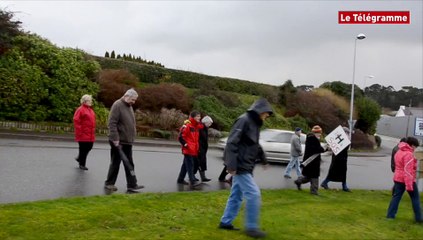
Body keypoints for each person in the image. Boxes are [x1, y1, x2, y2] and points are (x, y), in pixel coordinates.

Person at [218, 98, 273, 239]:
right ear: (259, 110)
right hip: (240, 166)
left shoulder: (254, 124)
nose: (267, 116)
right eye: (266, 114)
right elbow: (231, 143)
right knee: (254, 195)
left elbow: (254, 145)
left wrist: (264, 160)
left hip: (247, 165)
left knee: (236, 195)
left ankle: (225, 222)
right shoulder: (244, 120)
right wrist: (230, 166)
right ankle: (251, 228)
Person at [104, 88, 144, 192]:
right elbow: (111, 123)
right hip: (118, 141)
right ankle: (109, 183)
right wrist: (115, 139)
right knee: (115, 163)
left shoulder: (129, 106)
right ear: (126, 96)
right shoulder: (117, 105)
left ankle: (132, 184)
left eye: (135, 100)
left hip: (127, 141)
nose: (133, 102)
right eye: (132, 99)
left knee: (129, 163)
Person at [386, 137, 422, 223]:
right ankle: (419, 218)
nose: (415, 149)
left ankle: (390, 215)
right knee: (415, 198)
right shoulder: (409, 154)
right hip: (406, 179)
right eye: (415, 147)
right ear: (412, 145)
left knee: (396, 197)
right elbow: (408, 171)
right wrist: (409, 185)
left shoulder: (399, 151)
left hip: (397, 178)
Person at [294, 125, 327, 195]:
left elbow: (317, 148)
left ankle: (299, 181)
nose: (320, 134)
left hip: (309, 161)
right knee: (314, 176)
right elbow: (317, 149)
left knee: (309, 176)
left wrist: (324, 149)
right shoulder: (313, 139)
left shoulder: (310, 138)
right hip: (312, 161)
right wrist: (325, 149)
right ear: (315, 133)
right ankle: (314, 191)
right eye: (319, 133)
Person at [320, 127, 351, 192]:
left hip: (342, 158)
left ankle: (344, 185)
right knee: (333, 172)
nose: (347, 134)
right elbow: (343, 147)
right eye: (346, 132)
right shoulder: (341, 139)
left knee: (343, 172)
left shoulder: (345, 140)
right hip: (337, 158)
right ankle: (325, 182)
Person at [177, 111, 202, 188]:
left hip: (193, 149)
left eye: (199, 116)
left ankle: (180, 179)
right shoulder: (187, 126)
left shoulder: (196, 127)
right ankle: (192, 181)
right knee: (190, 165)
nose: (199, 118)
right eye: (198, 116)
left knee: (185, 165)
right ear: (193, 117)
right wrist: (186, 145)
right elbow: (180, 137)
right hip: (188, 149)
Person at [73, 94, 96, 171]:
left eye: (90, 100)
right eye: (89, 100)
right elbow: (76, 120)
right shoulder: (80, 109)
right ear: (85, 101)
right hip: (83, 133)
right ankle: (82, 164)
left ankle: (80, 158)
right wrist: (80, 131)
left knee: (89, 147)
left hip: (90, 133)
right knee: (83, 149)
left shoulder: (90, 110)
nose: (91, 102)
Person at [198, 115, 213, 182]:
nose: (210, 124)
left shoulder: (204, 128)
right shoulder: (201, 128)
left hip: (203, 148)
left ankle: (202, 177)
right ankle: (202, 177)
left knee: (201, 162)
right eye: (209, 123)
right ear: (206, 122)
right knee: (201, 162)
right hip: (200, 148)